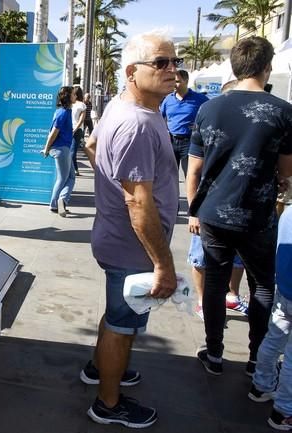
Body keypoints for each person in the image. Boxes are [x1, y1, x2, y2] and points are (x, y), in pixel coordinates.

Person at [82, 30, 180, 428]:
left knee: (117, 319)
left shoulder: (121, 108)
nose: (172, 70)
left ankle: (102, 369)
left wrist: (107, 182)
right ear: (132, 72)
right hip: (131, 248)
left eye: (175, 62)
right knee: (122, 327)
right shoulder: (137, 124)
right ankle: (108, 403)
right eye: (161, 63)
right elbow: (139, 205)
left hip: (119, 239)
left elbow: (91, 145)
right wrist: (164, 266)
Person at [188, 36, 292, 377]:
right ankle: (255, 361)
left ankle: (214, 354)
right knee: (262, 285)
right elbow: (285, 172)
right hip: (258, 216)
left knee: (216, 282)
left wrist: (193, 211)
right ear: (267, 67)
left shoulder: (208, 108)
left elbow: (194, 170)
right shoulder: (284, 112)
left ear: (235, 67)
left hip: (213, 213)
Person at [186, 78, 248, 321]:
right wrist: (193, 211)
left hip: (240, 209)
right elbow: (193, 171)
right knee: (200, 257)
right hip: (209, 206)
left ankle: (231, 295)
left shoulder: (253, 127)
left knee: (238, 258)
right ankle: (202, 300)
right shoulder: (209, 121)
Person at [248, 206, 292, 430]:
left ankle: (261, 385)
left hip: (284, 289)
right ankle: (284, 411)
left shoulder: (287, 213)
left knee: (273, 338)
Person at [159, 69, 209, 178]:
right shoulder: (168, 99)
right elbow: (159, 116)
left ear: (186, 81)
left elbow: (211, 113)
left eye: (177, 81)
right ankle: (171, 195)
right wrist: (164, 131)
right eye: (173, 81)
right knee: (169, 176)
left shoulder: (200, 99)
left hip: (190, 142)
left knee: (191, 175)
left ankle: (192, 195)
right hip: (171, 141)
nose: (174, 84)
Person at [41, 86, 76, 217]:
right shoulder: (63, 113)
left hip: (63, 148)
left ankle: (61, 200)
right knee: (62, 178)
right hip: (61, 149)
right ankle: (57, 203)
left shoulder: (65, 111)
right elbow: (53, 133)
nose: (75, 96)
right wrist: (46, 148)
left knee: (71, 177)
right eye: (73, 94)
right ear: (67, 96)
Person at [71, 87, 86, 176]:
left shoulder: (82, 105)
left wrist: (75, 129)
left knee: (72, 151)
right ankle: (75, 169)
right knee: (69, 151)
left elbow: (81, 120)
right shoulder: (69, 104)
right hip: (68, 129)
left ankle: (72, 170)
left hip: (77, 130)